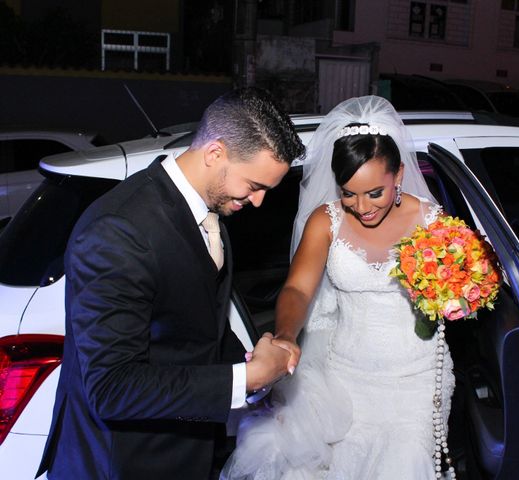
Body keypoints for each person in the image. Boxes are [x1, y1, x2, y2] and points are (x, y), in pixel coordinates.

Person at [36, 87, 306, 480]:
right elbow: (112, 388)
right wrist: (243, 379)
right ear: (215, 153)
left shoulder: (209, 211)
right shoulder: (119, 230)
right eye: (254, 185)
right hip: (122, 464)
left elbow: (194, 328)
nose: (259, 201)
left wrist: (257, 372)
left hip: (186, 452)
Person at [222, 96, 456, 479]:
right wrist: (286, 335)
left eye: (374, 193)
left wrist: (456, 297)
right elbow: (297, 290)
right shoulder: (325, 221)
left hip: (414, 384)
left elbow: (461, 291)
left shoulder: (433, 223)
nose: (361, 206)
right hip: (343, 382)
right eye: (349, 192)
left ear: (397, 176)